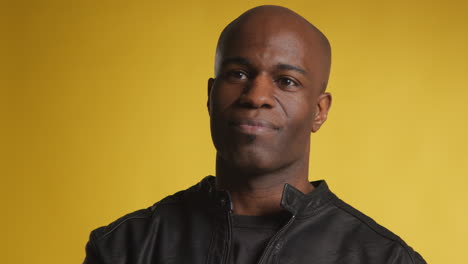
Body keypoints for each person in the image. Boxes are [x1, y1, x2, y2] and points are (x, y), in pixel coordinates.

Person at [84, 5, 426, 264]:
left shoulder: (384, 258)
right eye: (238, 73)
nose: (257, 96)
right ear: (210, 95)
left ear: (319, 111)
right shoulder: (125, 247)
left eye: (286, 81)